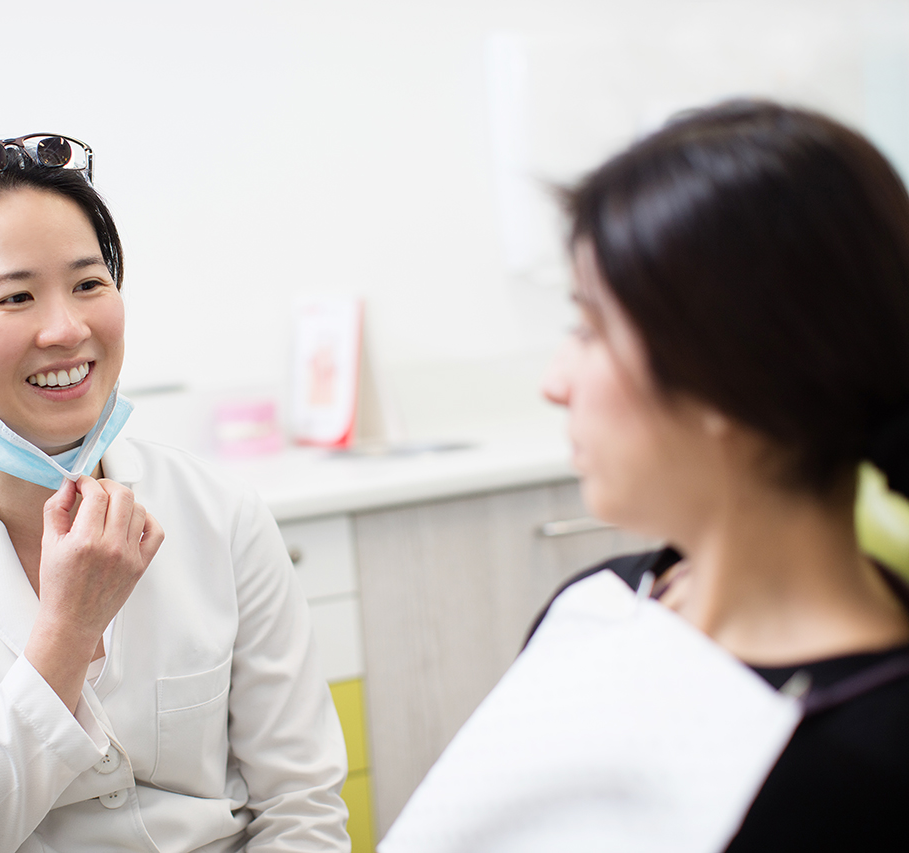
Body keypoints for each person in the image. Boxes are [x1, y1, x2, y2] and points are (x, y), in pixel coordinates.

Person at [381, 101, 909, 852]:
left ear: (729, 378)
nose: (555, 381)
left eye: (589, 331)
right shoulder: (602, 602)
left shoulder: (866, 767)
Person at [0, 134, 349, 853]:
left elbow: (301, 804)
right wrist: (66, 632)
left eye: (89, 284)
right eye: (16, 296)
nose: (67, 329)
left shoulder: (222, 513)